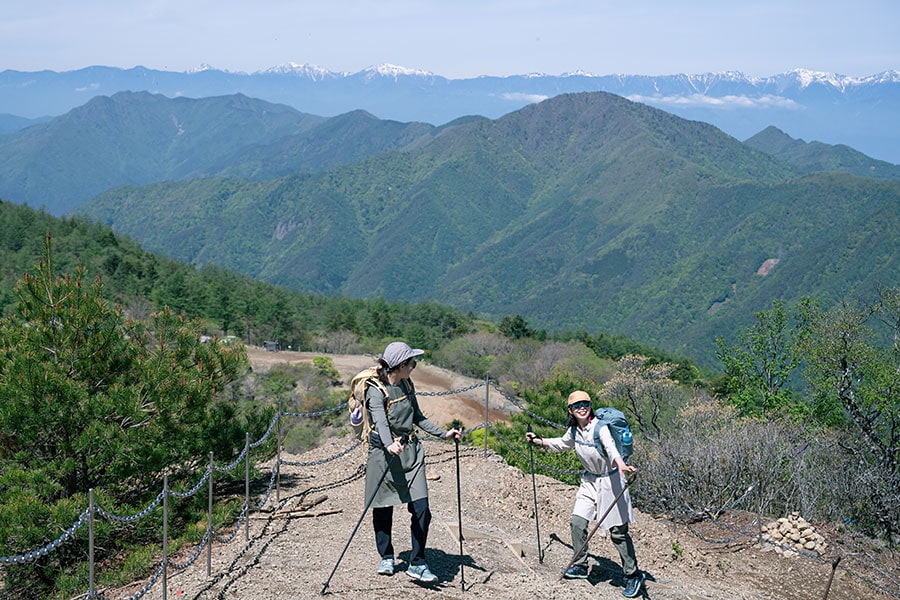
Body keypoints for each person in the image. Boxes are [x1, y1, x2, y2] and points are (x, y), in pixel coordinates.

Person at [525, 390, 645, 598]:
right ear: (570, 410)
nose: (582, 407)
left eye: (585, 403)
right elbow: (561, 444)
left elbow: (611, 448)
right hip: (589, 480)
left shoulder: (600, 427)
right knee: (577, 522)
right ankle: (580, 565)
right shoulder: (574, 431)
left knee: (617, 532)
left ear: (590, 406)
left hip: (611, 480)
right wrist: (538, 441)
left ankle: (633, 574)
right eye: (577, 405)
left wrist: (622, 465)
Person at [364, 341, 461, 583]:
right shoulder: (375, 390)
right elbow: (381, 421)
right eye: (411, 363)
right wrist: (388, 444)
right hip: (384, 454)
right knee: (383, 506)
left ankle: (417, 562)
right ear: (399, 365)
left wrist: (444, 434)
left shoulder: (407, 384)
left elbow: (417, 416)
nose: (414, 366)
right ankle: (386, 556)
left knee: (421, 509)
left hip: (411, 453)